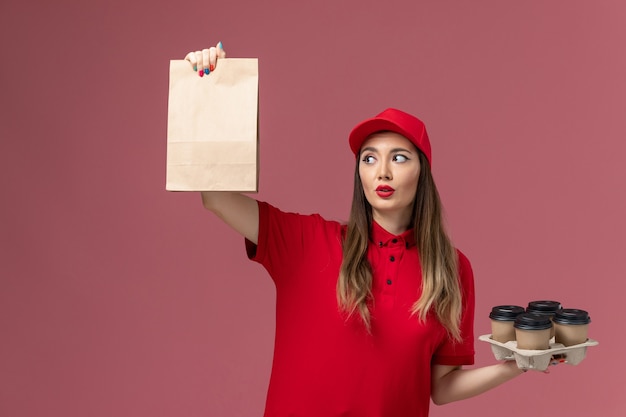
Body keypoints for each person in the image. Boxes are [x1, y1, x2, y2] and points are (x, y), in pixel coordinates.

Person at [185, 43, 526, 417]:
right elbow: (215, 198)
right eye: (369, 158)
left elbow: (442, 388)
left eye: (399, 157)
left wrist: (518, 365)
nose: (383, 171)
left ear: (422, 172)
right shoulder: (307, 242)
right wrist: (211, 92)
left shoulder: (452, 269)